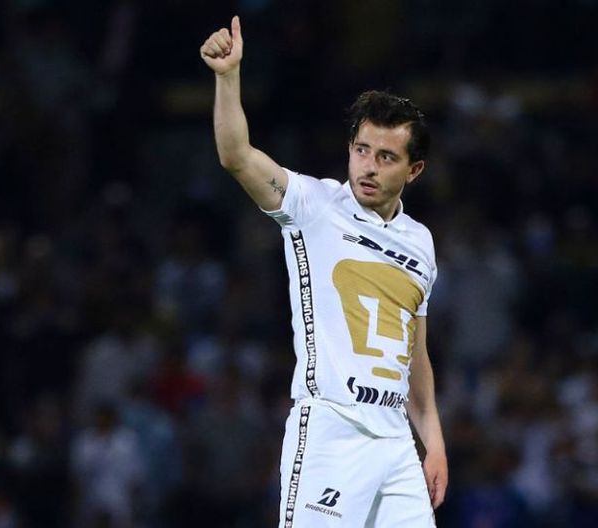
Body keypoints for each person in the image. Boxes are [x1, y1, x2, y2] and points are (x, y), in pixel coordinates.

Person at [200, 16, 448, 527]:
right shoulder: (313, 205)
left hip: (396, 442)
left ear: (414, 170)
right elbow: (236, 156)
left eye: (386, 157)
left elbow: (415, 354)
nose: (368, 166)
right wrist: (228, 77)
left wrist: (433, 440)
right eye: (361, 150)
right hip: (332, 431)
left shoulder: (420, 242)